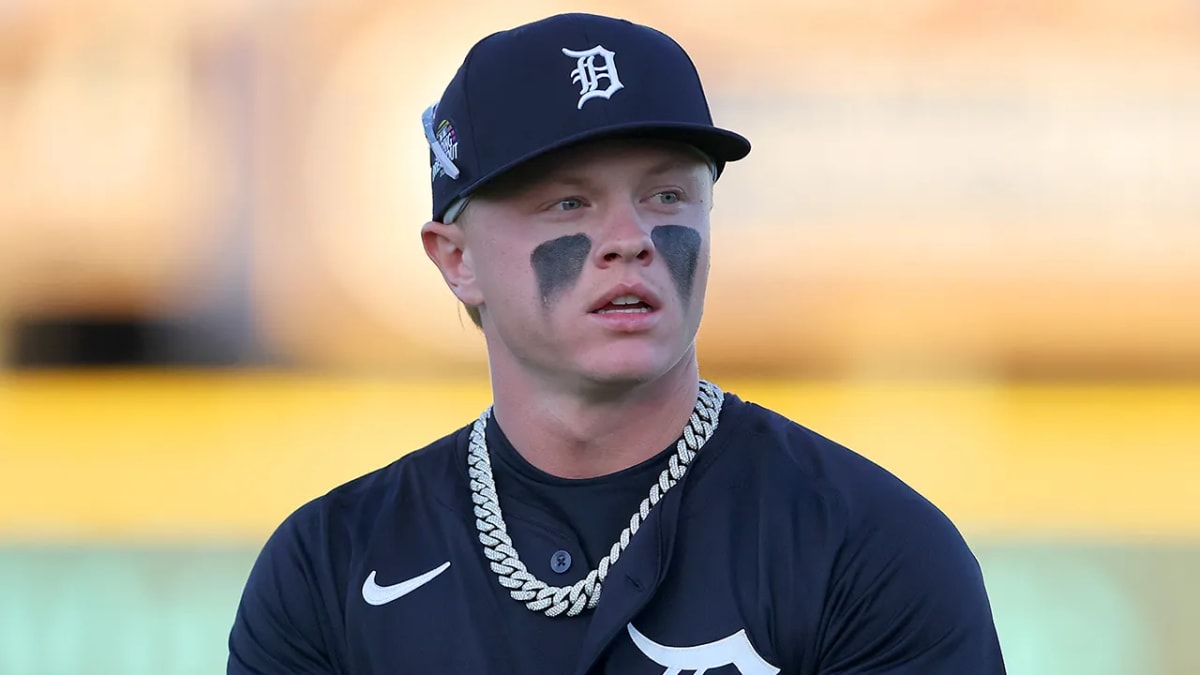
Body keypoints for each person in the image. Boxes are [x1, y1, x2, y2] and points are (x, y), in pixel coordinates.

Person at [228, 12, 1006, 674]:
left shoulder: (870, 547)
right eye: (569, 203)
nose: (629, 240)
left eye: (666, 195)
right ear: (457, 259)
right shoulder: (329, 566)